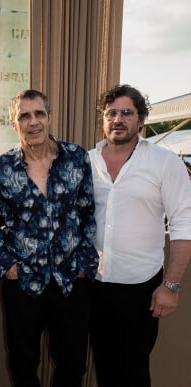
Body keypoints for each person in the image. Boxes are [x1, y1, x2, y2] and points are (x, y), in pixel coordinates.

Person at [0, 89, 98, 387]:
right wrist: (6, 264)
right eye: (24, 115)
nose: (32, 121)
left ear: (50, 117)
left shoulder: (76, 158)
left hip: (71, 280)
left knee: (73, 364)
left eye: (39, 114)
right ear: (14, 123)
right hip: (23, 282)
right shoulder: (0, 168)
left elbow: (88, 211)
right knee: (23, 365)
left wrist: (87, 262)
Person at [89, 84, 191, 387]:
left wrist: (170, 287)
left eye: (126, 113)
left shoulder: (164, 162)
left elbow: (184, 224)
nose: (118, 119)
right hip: (94, 287)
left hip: (141, 289)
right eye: (111, 113)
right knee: (104, 369)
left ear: (141, 120)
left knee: (133, 373)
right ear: (103, 119)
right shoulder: (86, 161)